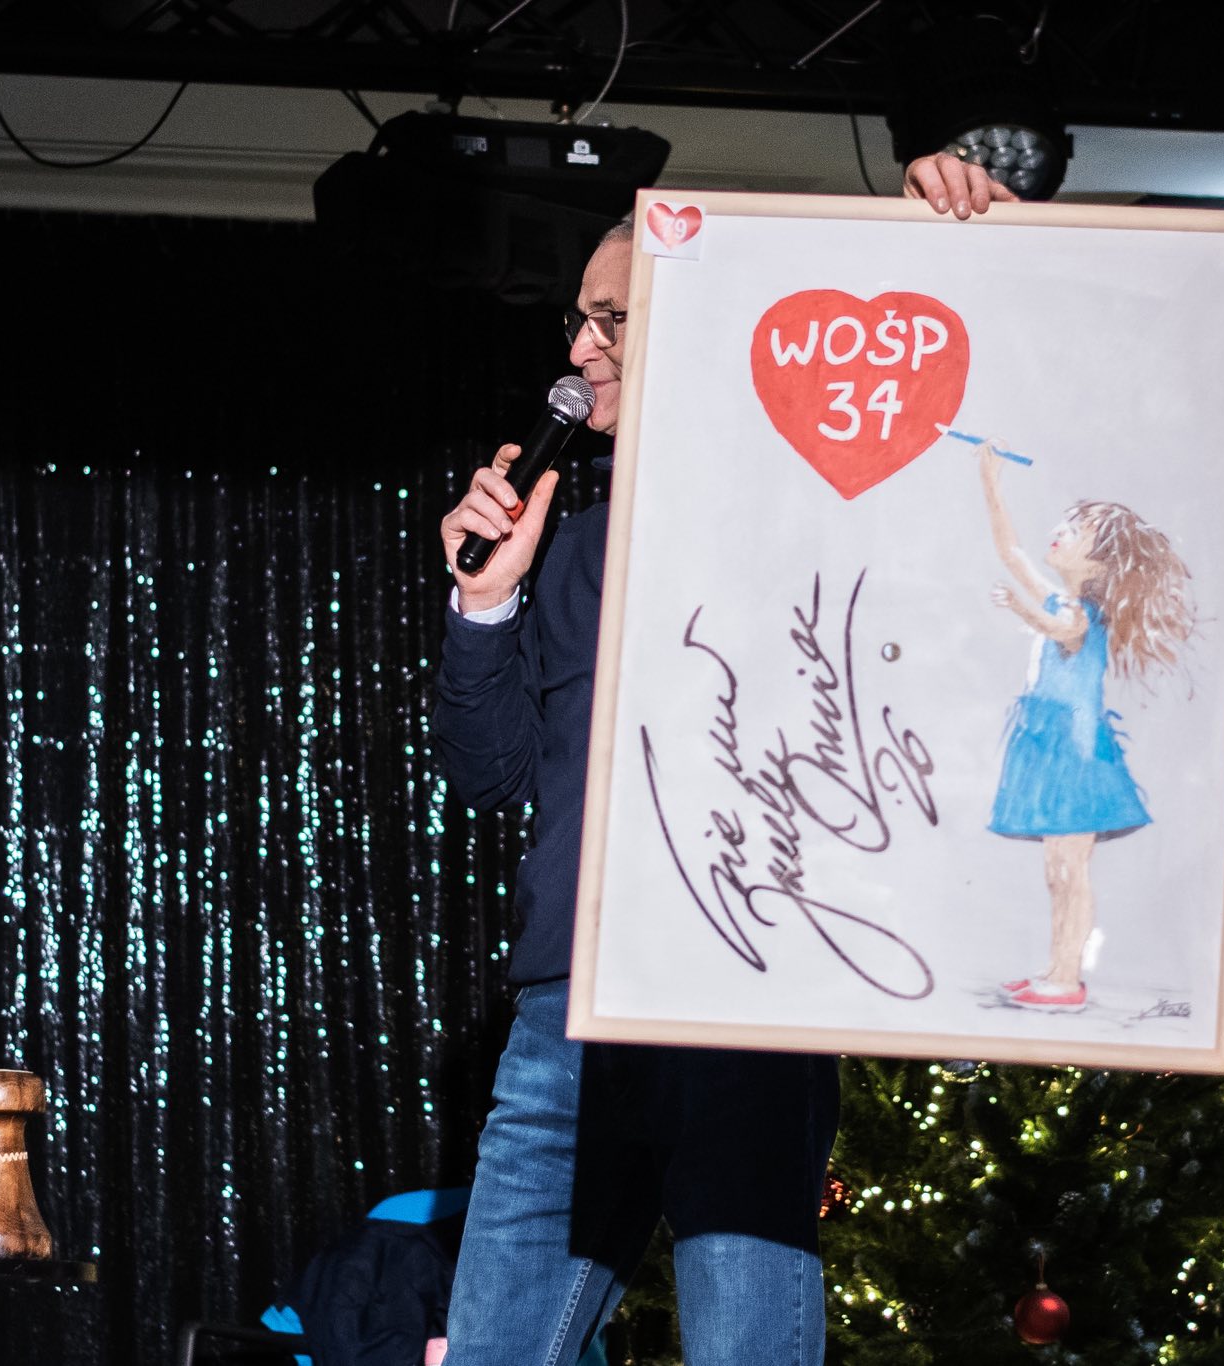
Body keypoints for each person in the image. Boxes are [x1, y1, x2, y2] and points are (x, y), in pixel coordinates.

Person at [431, 153, 1015, 1366]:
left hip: (743, 997)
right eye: (577, 321)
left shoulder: (825, 519)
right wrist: (485, 604)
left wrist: (970, 249)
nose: (579, 349)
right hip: (567, 1013)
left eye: (611, 320)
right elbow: (493, 775)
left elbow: (971, 443)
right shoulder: (577, 549)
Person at [972, 440, 1195, 1013]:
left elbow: (1063, 633)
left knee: (1071, 869)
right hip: (1048, 743)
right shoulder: (1059, 598)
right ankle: (1055, 970)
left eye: (1076, 531)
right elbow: (1010, 551)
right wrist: (991, 483)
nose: (1059, 532)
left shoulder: (1083, 613)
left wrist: (1019, 609)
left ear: (1099, 563)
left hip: (1075, 750)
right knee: (1056, 869)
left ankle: (1067, 980)